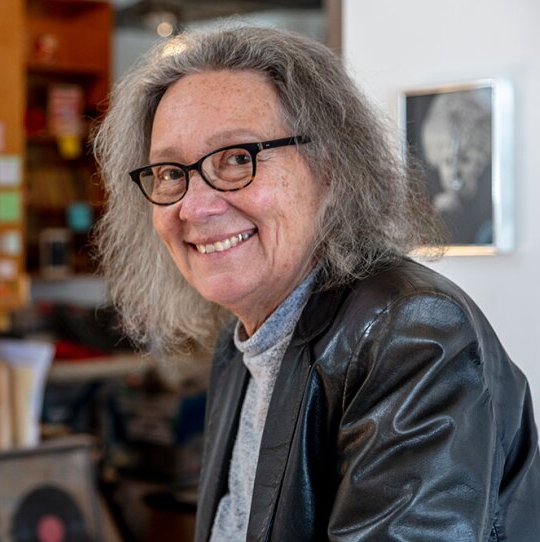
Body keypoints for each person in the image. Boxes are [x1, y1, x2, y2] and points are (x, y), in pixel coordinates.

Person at [92, 24, 540, 541]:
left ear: (330, 168)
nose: (193, 206)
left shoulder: (414, 333)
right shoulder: (240, 344)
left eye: (237, 158)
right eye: (171, 172)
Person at [420, 89, 494, 244]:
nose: (455, 172)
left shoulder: (490, 225)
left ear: (481, 164)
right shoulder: (431, 212)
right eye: (447, 161)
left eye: (466, 160)